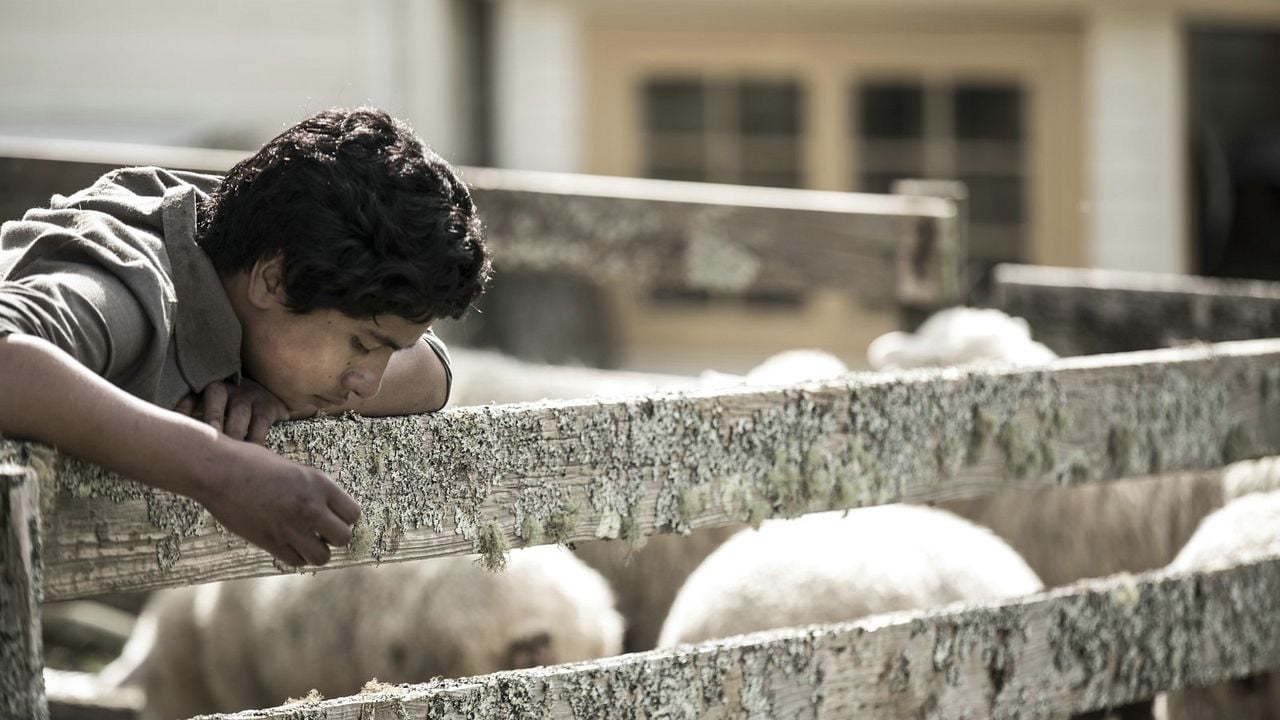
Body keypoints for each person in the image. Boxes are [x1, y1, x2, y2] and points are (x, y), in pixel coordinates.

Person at [0, 107, 491, 567]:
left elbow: (432, 372)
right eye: (361, 345)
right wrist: (221, 472)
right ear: (272, 281)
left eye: (389, 350)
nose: (368, 384)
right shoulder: (128, 294)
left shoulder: (250, 239)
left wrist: (279, 394)